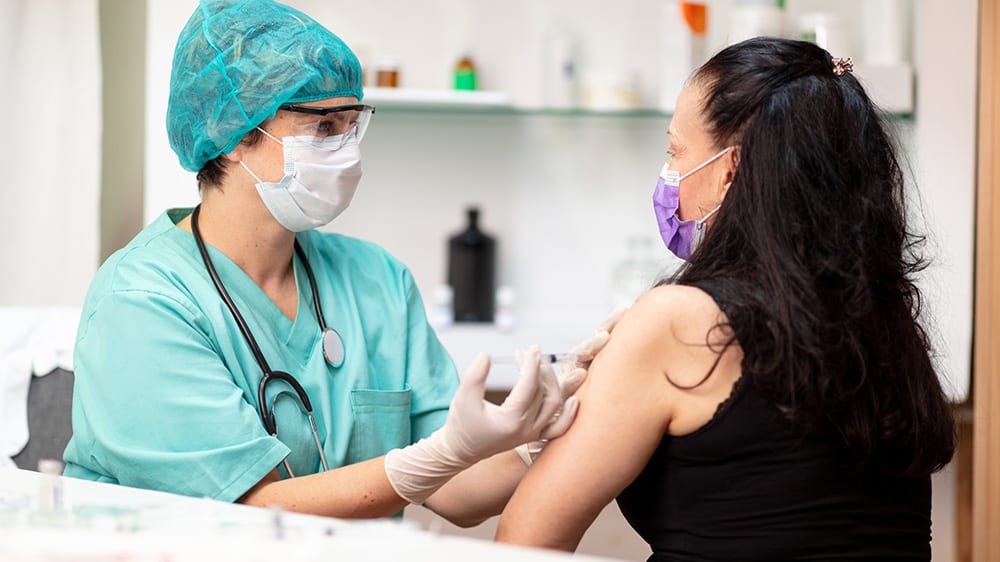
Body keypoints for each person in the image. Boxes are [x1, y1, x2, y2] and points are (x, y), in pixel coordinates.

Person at [62, 0, 615, 526]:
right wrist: (433, 457)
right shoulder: (142, 301)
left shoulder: (377, 281)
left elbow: (458, 492)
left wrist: (530, 443)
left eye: (352, 124)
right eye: (322, 128)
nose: (347, 150)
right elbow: (246, 513)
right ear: (232, 135)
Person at [495, 37, 956, 560]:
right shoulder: (888, 328)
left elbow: (524, 544)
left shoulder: (679, 323)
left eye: (674, 152)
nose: (668, 176)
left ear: (729, 170)